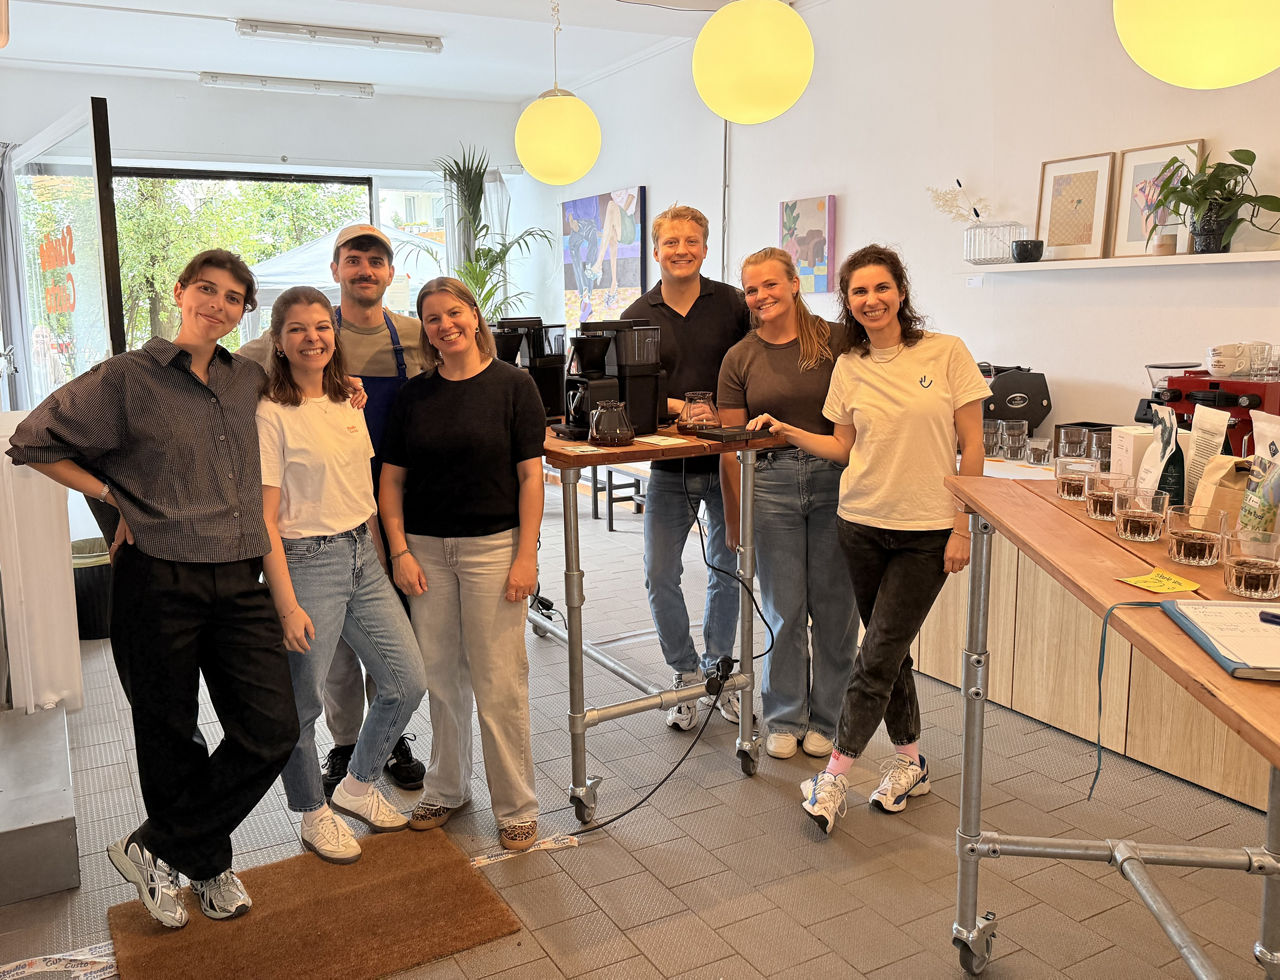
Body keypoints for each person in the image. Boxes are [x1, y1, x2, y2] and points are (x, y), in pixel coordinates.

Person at [7, 249, 300, 927]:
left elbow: (306, 384)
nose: (218, 304)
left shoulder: (245, 377)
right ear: (181, 291)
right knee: (170, 732)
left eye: (233, 297)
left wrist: (349, 389)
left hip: (239, 572)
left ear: (242, 311)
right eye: (207, 288)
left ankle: (157, 845)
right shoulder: (126, 378)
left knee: (271, 728)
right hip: (157, 576)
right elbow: (34, 440)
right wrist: (112, 495)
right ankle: (208, 866)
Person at [749, 244, 989, 833]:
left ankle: (834, 776)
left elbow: (973, 447)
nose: (871, 300)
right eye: (858, 292)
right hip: (859, 524)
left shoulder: (947, 352)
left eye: (881, 288)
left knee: (873, 655)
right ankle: (909, 762)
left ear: (901, 292)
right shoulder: (849, 365)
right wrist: (785, 430)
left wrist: (964, 526)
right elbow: (842, 447)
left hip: (927, 531)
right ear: (848, 303)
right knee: (891, 650)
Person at [243, 223, 428, 799]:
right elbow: (229, 374)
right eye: (354, 260)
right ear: (337, 269)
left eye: (376, 261)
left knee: (397, 662)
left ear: (390, 273)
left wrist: (388, 546)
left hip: (383, 512)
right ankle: (342, 750)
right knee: (331, 669)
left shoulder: (414, 338)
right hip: (309, 530)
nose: (365, 270)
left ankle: (378, 750)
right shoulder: (283, 384)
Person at [378, 277, 544, 851]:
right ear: (423, 330)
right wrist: (399, 550)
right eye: (431, 318)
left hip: (493, 550)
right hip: (425, 552)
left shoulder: (513, 385)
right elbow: (392, 480)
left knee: (499, 680)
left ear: (475, 317)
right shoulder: (414, 395)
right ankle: (448, 788)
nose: (444, 325)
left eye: (454, 313)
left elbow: (530, 476)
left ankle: (517, 803)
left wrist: (527, 554)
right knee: (441, 679)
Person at [718, 247, 857, 761]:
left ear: (795, 283)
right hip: (770, 485)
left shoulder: (837, 341)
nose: (761, 297)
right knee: (783, 609)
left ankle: (830, 717)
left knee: (836, 608)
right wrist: (735, 515)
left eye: (770, 285)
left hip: (837, 481)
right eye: (751, 290)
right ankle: (782, 715)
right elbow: (731, 445)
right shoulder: (741, 356)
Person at [621, 204, 750, 731]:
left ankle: (720, 670)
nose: (681, 250)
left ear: (705, 245)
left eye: (691, 241)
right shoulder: (636, 315)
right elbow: (633, 394)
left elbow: (756, 361)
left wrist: (724, 414)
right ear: (656, 250)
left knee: (729, 568)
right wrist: (685, 410)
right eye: (671, 242)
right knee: (659, 573)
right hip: (668, 466)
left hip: (727, 462)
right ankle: (685, 674)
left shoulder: (735, 304)